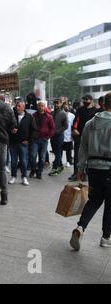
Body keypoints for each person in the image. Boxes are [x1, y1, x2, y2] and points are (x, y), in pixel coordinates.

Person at [70, 92, 111, 251]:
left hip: (94, 168)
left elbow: (83, 147)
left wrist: (80, 167)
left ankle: (80, 228)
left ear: (102, 104)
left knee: (94, 200)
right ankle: (106, 237)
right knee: (110, 204)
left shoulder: (90, 123)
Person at [69, 94, 98, 181]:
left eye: (87, 99)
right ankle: (76, 173)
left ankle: (87, 174)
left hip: (91, 136)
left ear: (91, 100)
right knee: (77, 155)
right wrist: (74, 129)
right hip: (79, 135)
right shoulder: (80, 110)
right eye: (84, 100)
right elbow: (76, 120)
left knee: (90, 156)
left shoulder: (95, 111)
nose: (85, 101)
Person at [9, 100, 32, 186]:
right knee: (13, 161)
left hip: (23, 143)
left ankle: (24, 177)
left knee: (23, 161)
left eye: (19, 106)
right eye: (16, 106)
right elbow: (7, 126)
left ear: (23, 107)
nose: (17, 107)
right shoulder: (12, 116)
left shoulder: (29, 117)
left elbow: (33, 130)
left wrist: (28, 140)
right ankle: (13, 176)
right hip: (13, 142)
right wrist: (11, 130)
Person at [30, 101, 55, 180]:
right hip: (34, 139)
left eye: (42, 106)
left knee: (42, 158)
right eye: (39, 106)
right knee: (33, 156)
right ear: (37, 106)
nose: (41, 107)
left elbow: (52, 128)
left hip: (44, 140)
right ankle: (33, 170)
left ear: (45, 107)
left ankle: (39, 171)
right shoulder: (33, 116)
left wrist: (48, 137)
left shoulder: (49, 116)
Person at [49, 99, 68, 177]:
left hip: (59, 136)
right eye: (55, 103)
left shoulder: (63, 114)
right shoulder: (51, 113)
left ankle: (55, 167)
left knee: (57, 152)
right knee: (56, 151)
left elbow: (65, 126)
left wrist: (57, 131)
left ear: (61, 104)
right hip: (52, 136)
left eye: (58, 103)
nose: (56, 105)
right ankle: (60, 166)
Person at [62, 103, 75, 168]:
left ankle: (68, 161)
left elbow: (73, 125)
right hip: (61, 134)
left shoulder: (72, 115)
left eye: (67, 107)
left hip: (69, 135)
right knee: (60, 150)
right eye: (64, 107)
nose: (66, 108)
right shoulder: (61, 114)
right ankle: (59, 162)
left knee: (68, 150)